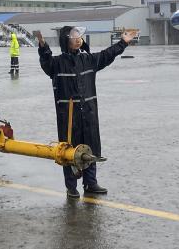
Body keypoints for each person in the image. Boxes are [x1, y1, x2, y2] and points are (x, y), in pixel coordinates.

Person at [37, 25, 138, 198]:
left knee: (90, 148)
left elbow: (107, 54)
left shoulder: (89, 60)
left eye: (79, 36)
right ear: (65, 41)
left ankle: (90, 183)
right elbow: (46, 62)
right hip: (69, 116)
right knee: (69, 150)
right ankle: (71, 186)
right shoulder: (57, 63)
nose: (77, 39)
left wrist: (123, 42)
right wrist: (43, 45)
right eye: (73, 37)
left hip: (89, 114)